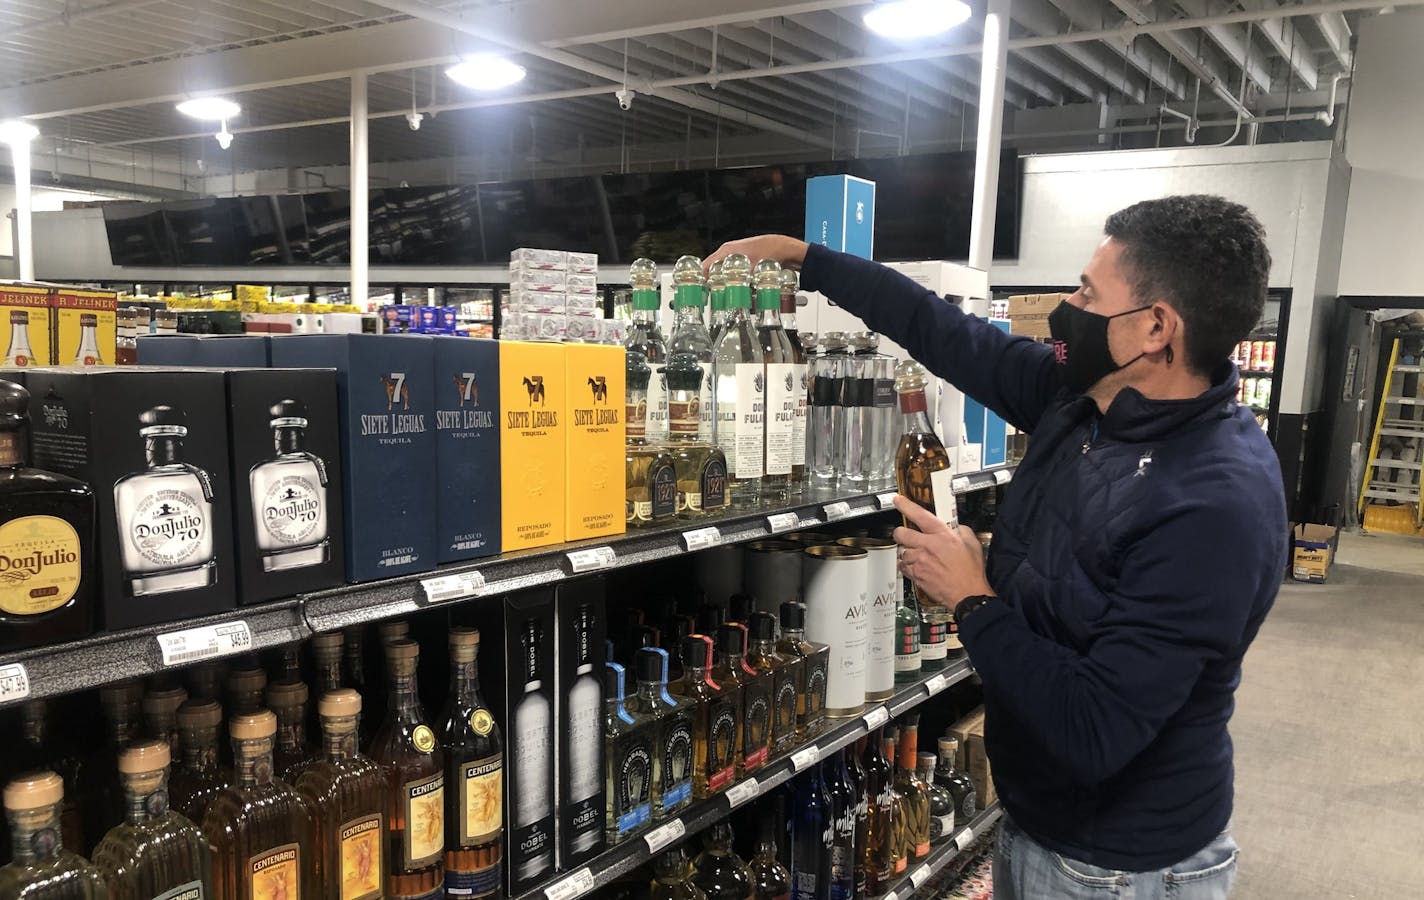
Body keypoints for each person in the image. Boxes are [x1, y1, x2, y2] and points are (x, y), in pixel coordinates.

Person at [705, 194, 1286, 900]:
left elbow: (1097, 729)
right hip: (1042, 824)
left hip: (1120, 868)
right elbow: (943, 330)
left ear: (1155, 328)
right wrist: (807, 259)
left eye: (1087, 294)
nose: (1069, 310)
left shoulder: (1214, 504)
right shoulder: (1081, 403)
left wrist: (973, 599)